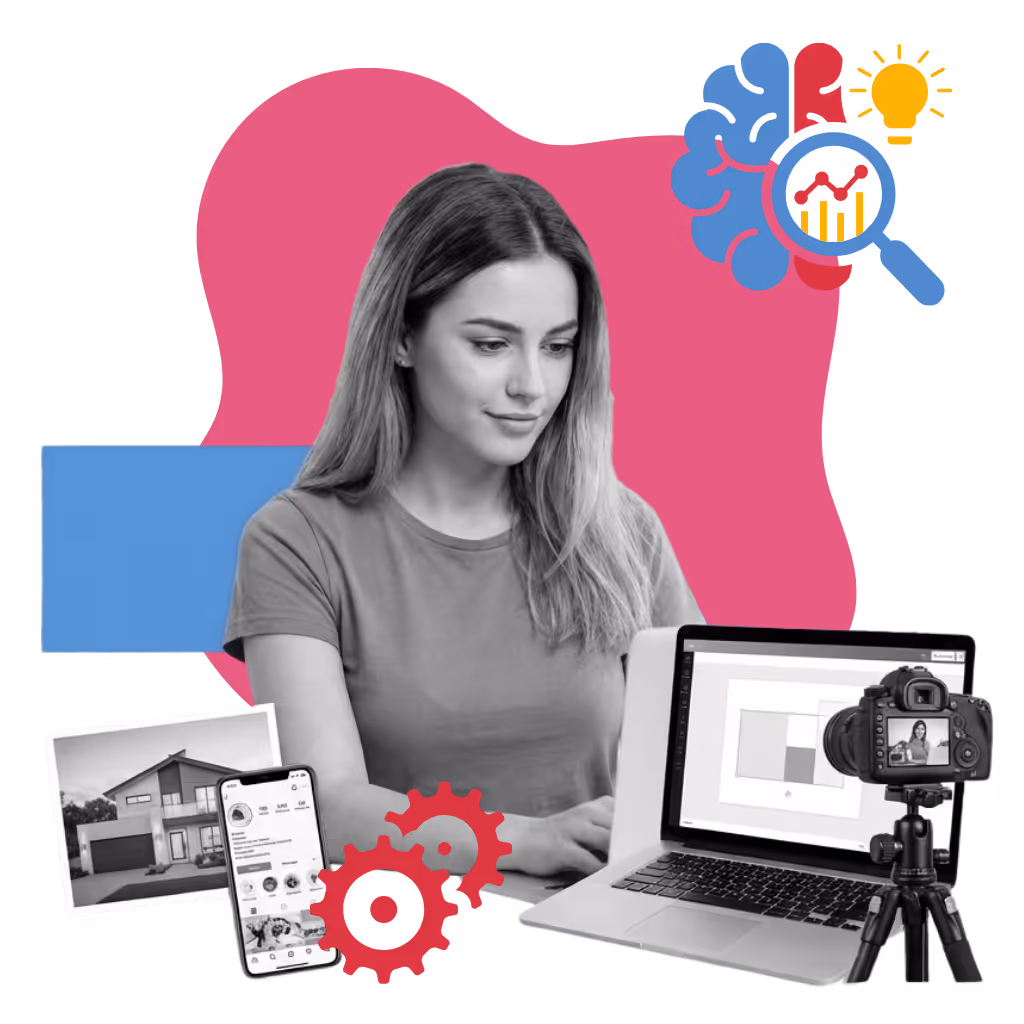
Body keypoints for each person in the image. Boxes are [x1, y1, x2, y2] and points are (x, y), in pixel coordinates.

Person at [224, 164, 704, 880]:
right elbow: (323, 805)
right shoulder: (296, 541)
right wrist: (524, 841)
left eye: (557, 345)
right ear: (401, 339)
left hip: (614, 919)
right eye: (490, 344)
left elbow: (695, 756)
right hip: (404, 932)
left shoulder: (621, 528)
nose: (531, 387)